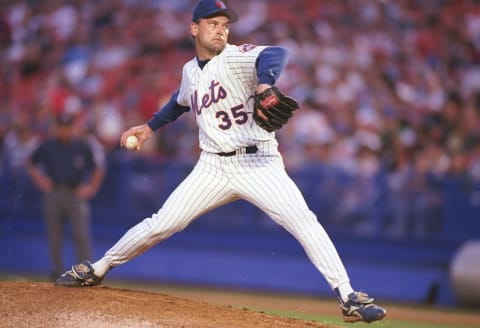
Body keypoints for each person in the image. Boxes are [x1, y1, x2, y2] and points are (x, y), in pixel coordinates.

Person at [54, 0, 386, 323]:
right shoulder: (189, 71)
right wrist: (149, 127)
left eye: (225, 25)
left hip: (260, 163)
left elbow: (277, 53)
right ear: (194, 28)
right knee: (162, 224)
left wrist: (265, 81)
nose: (221, 31)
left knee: (304, 221)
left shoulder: (236, 57)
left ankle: (348, 297)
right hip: (213, 167)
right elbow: (180, 100)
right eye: (213, 24)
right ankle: (97, 268)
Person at [27, 112, 105, 280]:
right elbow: (31, 162)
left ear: (72, 128)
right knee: (55, 236)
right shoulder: (48, 146)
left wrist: (91, 187)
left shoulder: (81, 146)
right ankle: (57, 272)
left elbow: (97, 169)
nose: (64, 131)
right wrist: (40, 180)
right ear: (56, 128)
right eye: (61, 128)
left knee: (80, 234)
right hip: (54, 193)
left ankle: (84, 273)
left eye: (67, 128)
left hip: (74, 193)